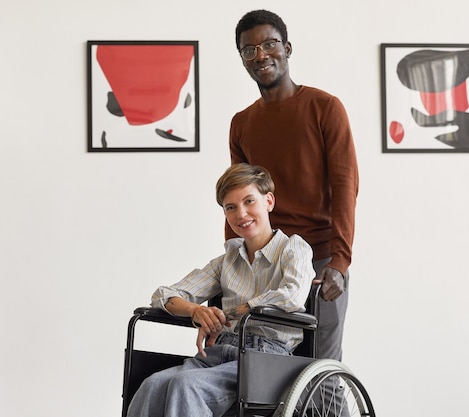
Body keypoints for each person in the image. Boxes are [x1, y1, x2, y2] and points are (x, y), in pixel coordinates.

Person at [126, 163, 315, 417]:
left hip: (266, 362)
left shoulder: (294, 249)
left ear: (269, 201)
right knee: (152, 385)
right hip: (217, 354)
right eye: (231, 207)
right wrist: (196, 312)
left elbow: (291, 295)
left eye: (249, 201)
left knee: (186, 387)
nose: (242, 213)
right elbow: (163, 295)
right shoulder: (227, 261)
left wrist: (231, 313)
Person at [229, 9, 359, 363]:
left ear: (287, 48)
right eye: (249, 49)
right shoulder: (242, 123)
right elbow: (238, 198)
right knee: (262, 372)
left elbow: (346, 186)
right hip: (266, 261)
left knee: (321, 371)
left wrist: (340, 261)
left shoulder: (325, 108)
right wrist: (231, 258)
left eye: (269, 44)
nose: (261, 55)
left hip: (320, 262)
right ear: (242, 58)